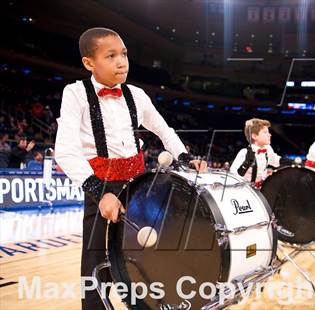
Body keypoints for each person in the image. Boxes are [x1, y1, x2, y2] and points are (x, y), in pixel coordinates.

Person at [54, 27, 205, 310]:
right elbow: (65, 150)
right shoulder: (75, 93)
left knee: (145, 252)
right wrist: (100, 192)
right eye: (110, 56)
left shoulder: (136, 94)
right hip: (102, 186)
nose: (121, 61)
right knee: (96, 260)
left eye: (123, 54)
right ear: (89, 63)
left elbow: (163, 129)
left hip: (138, 184)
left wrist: (184, 156)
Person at [230, 118, 281, 188]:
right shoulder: (244, 153)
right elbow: (233, 175)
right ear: (254, 136)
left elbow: (276, 162)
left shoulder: (267, 149)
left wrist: (291, 162)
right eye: (265, 132)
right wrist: (246, 163)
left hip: (261, 189)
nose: (270, 135)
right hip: (246, 190)